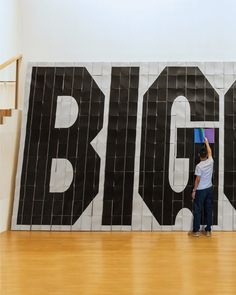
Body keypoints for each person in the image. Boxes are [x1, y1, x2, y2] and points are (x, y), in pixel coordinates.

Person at [191, 137, 214, 237]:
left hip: (200, 191)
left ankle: (196, 231)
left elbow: (197, 180)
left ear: (199, 155)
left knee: (198, 210)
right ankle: (208, 230)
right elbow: (210, 151)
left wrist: (194, 191)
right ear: (207, 155)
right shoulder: (210, 161)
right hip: (209, 190)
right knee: (208, 210)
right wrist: (207, 142)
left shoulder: (199, 166)